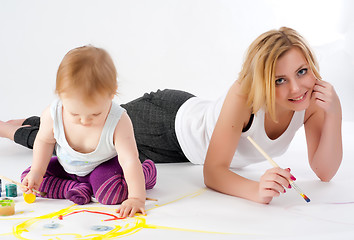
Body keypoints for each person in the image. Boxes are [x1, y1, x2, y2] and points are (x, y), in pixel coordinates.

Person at [1, 27, 342, 204]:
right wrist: (256, 191)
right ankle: (7, 128)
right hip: (165, 123)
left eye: (302, 71)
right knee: (78, 134)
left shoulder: (312, 101)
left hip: (185, 142)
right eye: (279, 80)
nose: (296, 88)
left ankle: (28, 121)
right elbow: (213, 172)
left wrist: (335, 111)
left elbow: (325, 172)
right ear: (262, 80)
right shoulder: (245, 94)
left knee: (83, 121)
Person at [12, 45, 157, 218]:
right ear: (60, 96)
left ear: (112, 94)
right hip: (67, 170)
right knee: (29, 178)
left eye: (95, 114)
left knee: (109, 195)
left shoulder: (118, 121)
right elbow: (44, 141)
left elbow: (129, 160)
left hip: (104, 169)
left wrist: (136, 197)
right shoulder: (53, 114)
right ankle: (75, 189)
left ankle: (146, 171)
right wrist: (37, 171)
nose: (84, 120)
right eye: (74, 113)